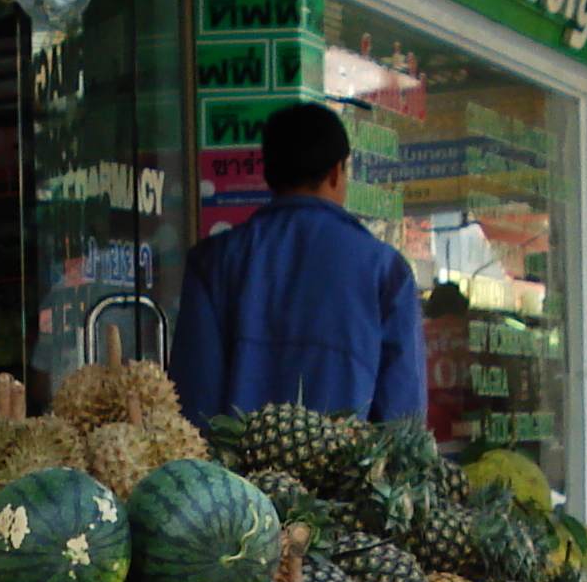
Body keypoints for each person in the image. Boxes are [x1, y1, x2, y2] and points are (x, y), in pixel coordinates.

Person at [170, 104, 425, 424]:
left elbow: (194, 401)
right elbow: (403, 417)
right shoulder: (386, 270)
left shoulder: (214, 261)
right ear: (336, 172)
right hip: (348, 472)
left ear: (268, 173)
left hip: (234, 473)